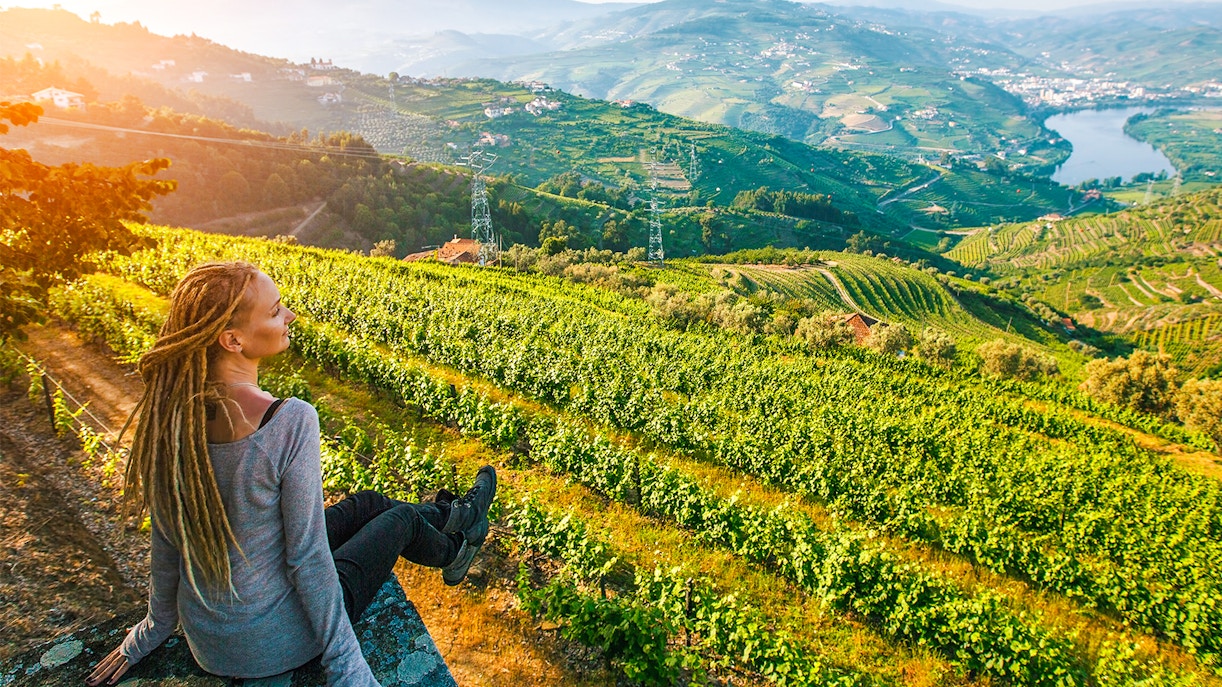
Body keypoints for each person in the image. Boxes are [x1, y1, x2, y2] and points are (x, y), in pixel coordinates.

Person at [85, 261, 496, 687]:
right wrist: (347, 670)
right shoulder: (288, 420)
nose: (289, 316)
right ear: (233, 340)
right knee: (400, 520)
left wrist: (153, 629)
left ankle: (459, 519)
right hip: (277, 639)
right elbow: (307, 558)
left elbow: (169, 539)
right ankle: (455, 549)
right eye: (276, 310)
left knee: (369, 504)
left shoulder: (170, 417)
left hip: (210, 642)